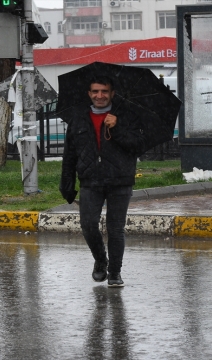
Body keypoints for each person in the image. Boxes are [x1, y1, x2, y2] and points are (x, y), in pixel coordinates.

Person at [60, 75, 146, 288]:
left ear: (112, 93)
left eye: (104, 91)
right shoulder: (78, 119)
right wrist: (67, 182)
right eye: (95, 92)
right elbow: (70, 154)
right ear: (89, 94)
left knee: (115, 229)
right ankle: (101, 260)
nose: (100, 96)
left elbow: (137, 146)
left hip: (120, 180)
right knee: (88, 225)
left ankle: (115, 272)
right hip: (90, 181)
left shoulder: (126, 116)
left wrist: (117, 127)